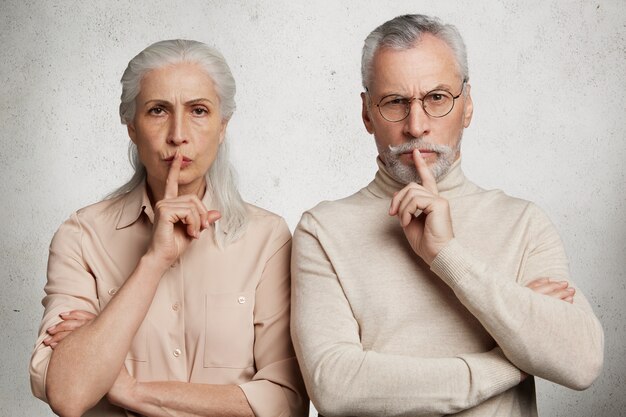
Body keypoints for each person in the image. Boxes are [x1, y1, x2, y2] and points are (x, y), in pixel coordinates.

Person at [290, 14, 603, 416]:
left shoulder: (522, 223)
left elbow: (581, 361)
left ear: (467, 106)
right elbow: (336, 387)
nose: (416, 126)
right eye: (395, 103)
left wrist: (447, 255)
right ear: (367, 113)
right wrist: (512, 362)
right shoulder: (323, 229)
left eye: (437, 98)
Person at [30, 39, 308, 417]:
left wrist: (130, 391)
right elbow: (69, 394)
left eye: (199, 110)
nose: (178, 134)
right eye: (158, 110)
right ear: (131, 126)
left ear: (222, 125)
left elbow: (286, 402)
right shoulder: (81, 236)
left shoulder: (267, 238)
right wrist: (154, 261)